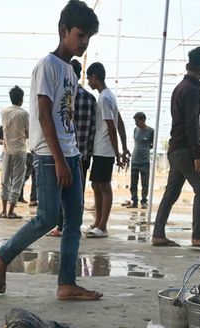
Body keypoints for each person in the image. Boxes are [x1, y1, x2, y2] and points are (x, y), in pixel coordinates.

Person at [0, 0, 102, 302]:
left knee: (73, 221)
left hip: (70, 153)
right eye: (80, 35)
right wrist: (60, 160)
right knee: (48, 217)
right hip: (50, 156)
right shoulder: (47, 66)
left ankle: (66, 284)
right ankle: (2, 255)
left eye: (88, 37)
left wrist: (71, 154)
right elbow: (44, 114)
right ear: (63, 31)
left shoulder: (69, 71)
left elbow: (67, 116)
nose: (84, 42)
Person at [151, 47, 200, 248]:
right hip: (184, 150)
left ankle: (158, 234)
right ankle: (198, 236)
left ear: (188, 65)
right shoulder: (192, 91)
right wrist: (196, 154)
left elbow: (183, 124)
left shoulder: (180, 87)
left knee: (171, 193)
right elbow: (191, 124)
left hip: (175, 149)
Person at [46, 58, 97, 238]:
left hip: (65, 152)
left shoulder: (65, 96)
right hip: (82, 153)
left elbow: (62, 124)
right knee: (77, 193)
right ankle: (74, 224)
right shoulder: (91, 99)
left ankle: (61, 226)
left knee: (60, 192)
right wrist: (88, 151)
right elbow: (93, 129)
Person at [85, 61, 128, 238]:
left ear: (95, 77)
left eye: (89, 79)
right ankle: (98, 222)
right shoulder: (109, 96)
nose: (88, 82)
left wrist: (118, 152)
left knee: (103, 185)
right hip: (100, 149)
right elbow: (120, 122)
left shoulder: (104, 98)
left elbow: (112, 127)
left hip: (105, 149)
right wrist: (124, 147)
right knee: (96, 184)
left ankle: (102, 226)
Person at [0, 86, 30, 219]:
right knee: (17, 180)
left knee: (5, 179)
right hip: (19, 150)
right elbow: (28, 133)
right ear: (21, 99)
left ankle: (3, 210)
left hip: (7, 150)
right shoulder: (23, 114)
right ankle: (11, 211)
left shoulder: (4, 112)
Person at [124, 112, 153, 208]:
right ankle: (134, 201)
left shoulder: (151, 131)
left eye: (137, 121)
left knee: (144, 183)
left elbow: (152, 145)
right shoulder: (135, 130)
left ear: (143, 120)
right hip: (135, 160)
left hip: (145, 161)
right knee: (133, 183)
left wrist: (146, 149)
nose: (136, 123)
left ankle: (144, 201)